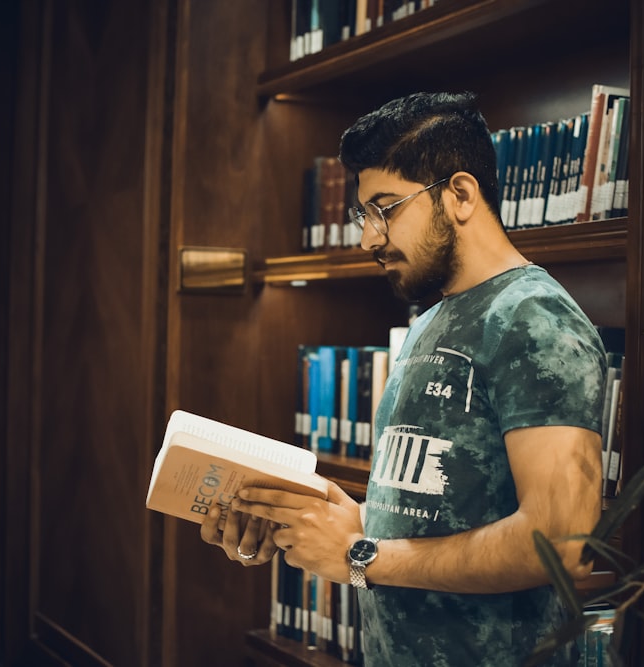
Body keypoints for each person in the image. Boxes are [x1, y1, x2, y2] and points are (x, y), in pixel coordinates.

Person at [201, 91, 608, 666]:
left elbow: (559, 546)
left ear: (460, 195)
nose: (369, 237)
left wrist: (359, 555)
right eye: (363, 214)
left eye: (385, 208)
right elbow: (430, 514)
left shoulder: (534, 318)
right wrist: (310, 525)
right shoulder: (427, 323)